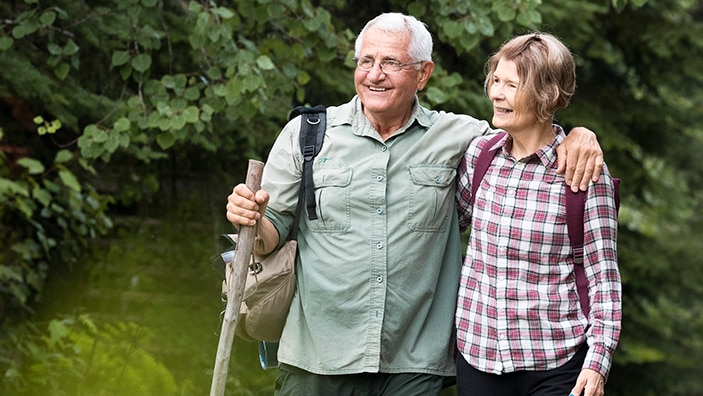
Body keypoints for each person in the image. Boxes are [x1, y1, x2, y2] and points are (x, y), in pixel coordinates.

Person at [226, 13, 603, 396]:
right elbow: (270, 230)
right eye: (366, 62)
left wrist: (578, 135)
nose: (374, 75)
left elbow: (527, 134)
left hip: (413, 364)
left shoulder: (463, 139)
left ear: (423, 74)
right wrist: (251, 221)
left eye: (390, 63)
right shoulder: (307, 135)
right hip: (317, 357)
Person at [454, 33, 621, 396]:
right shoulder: (480, 156)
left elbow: (603, 278)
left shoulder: (583, 174)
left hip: (556, 365)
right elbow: (444, 227)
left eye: (511, 85)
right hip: (477, 355)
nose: (497, 94)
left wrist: (598, 361)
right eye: (495, 81)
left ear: (547, 95)